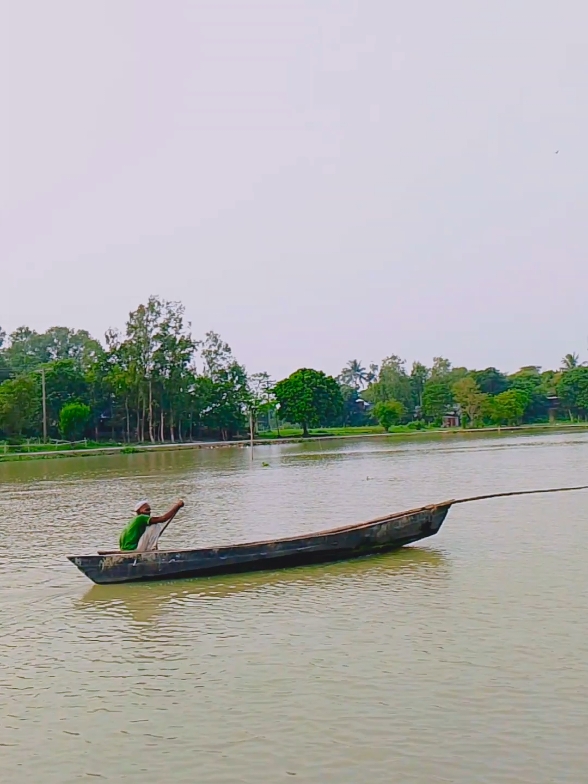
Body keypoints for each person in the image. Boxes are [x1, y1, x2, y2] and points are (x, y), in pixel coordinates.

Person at [119, 499, 184, 552]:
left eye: (150, 510)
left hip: (125, 550)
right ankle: (151, 550)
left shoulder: (134, 521)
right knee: (155, 525)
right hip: (133, 550)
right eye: (147, 510)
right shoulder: (141, 518)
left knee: (151, 525)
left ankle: (152, 548)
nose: (149, 512)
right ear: (139, 511)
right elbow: (163, 518)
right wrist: (177, 506)